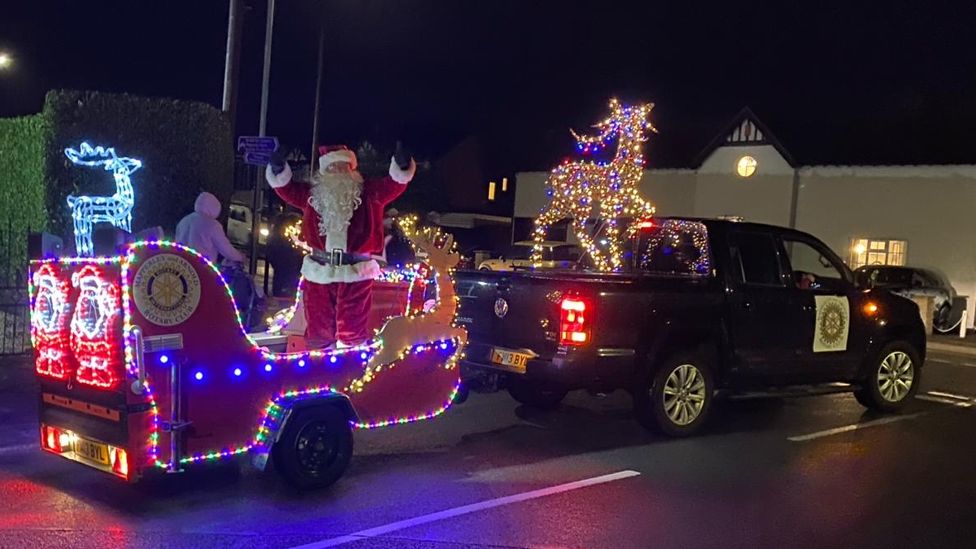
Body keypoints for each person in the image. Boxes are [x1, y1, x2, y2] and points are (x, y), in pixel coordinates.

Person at [266, 144, 415, 348]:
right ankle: (320, 369)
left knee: (351, 329)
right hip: (320, 269)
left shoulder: (369, 193)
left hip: (355, 271)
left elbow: (393, 185)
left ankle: (348, 370)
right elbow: (286, 189)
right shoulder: (313, 195)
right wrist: (278, 169)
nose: (338, 171)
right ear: (324, 170)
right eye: (332, 167)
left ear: (352, 169)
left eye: (343, 166)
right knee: (319, 328)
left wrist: (402, 165)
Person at [175, 192, 246, 264]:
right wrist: (240, 257)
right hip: (203, 269)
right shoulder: (213, 225)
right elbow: (226, 249)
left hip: (183, 267)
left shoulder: (184, 221)